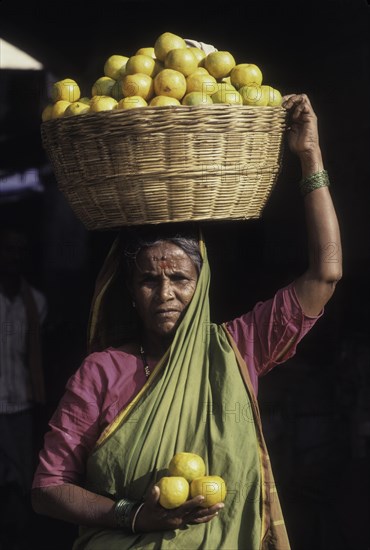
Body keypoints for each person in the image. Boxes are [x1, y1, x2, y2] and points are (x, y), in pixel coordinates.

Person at [31, 93, 342, 549]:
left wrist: (309, 156)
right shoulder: (101, 372)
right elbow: (48, 488)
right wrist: (135, 516)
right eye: (148, 281)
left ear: (203, 283)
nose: (165, 294)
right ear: (129, 292)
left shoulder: (240, 348)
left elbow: (326, 271)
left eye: (180, 277)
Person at [0, 226, 47, 549]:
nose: (14, 257)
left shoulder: (37, 303)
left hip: (21, 408)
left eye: (20, 251)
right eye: (8, 249)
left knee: (21, 480)